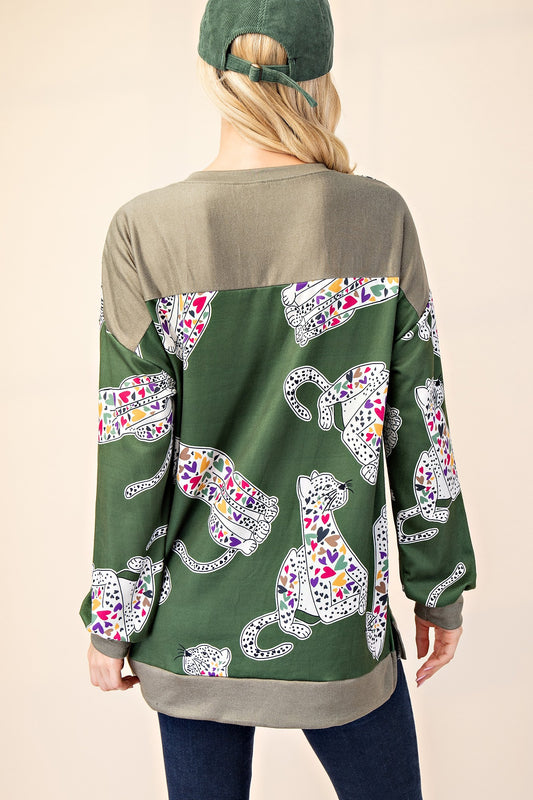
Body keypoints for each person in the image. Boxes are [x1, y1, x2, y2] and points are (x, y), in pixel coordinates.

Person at [80, 1, 477, 798]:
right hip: (338, 635)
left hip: (188, 628)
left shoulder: (143, 230)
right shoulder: (377, 217)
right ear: (320, 75)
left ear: (210, 73)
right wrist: (439, 589)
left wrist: (111, 621)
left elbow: (133, 449)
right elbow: (418, 428)